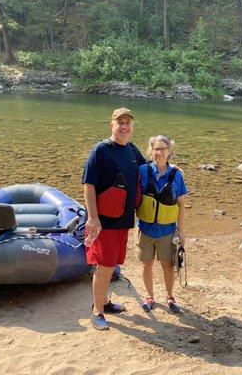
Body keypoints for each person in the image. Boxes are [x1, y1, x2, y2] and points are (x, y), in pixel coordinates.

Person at [82, 107, 146, 330]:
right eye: (120, 123)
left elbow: (148, 169)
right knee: (104, 266)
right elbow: (89, 185)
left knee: (113, 264)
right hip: (104, 222)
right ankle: (97, 311)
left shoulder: (131, 150)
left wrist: (171, 169)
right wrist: (92, 218)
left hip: (124, 220)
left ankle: (106, 303)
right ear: (112, 125)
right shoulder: (100, 150)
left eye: (128, 122)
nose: (125, 126)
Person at [135, 135, 187, 314]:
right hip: (145, 230)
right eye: (156, 149)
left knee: (167, 265)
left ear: (169, 152)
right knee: (146, 264)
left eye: (163, 149)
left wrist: (181, 230)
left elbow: (181, 204)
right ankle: (149, 296)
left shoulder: (177, 175)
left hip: (167, 231)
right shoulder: (142, 171)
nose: (159, 152)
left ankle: (170, 296)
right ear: (151, 151)